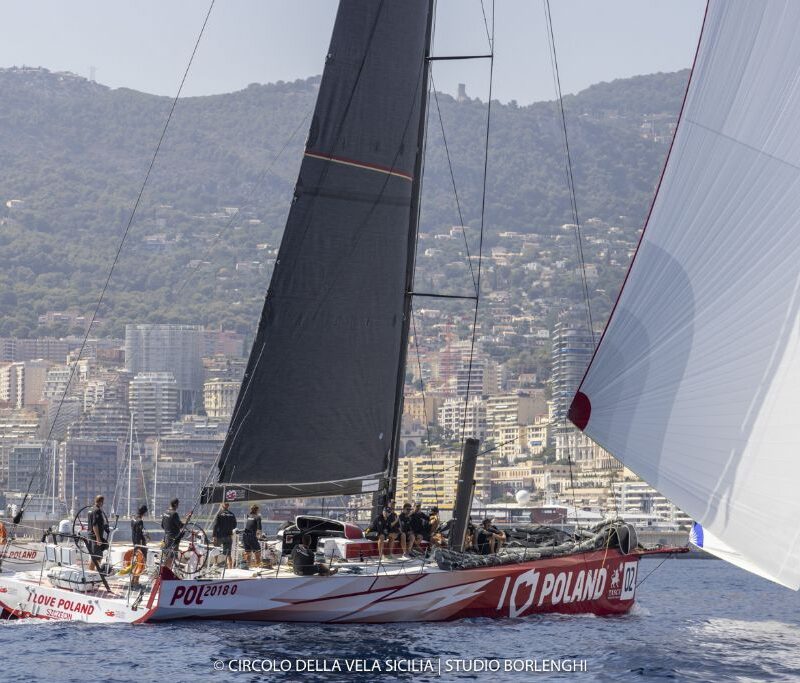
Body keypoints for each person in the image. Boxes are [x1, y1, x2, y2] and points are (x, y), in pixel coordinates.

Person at [87, 495, 110, 573]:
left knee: (105, 546)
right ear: (101, 502)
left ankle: (96, 571)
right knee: (95, 557)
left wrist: (104, 526)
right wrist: (98, 538)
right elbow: (95, 525)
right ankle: (90, 573)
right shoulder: (97, 510)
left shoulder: (90, 509)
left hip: (90, 535)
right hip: (95, 537)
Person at [212, 501, 238, 569]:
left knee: (216, 549)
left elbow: (215, 525)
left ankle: (215, 563)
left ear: (221, 505)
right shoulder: (232, 514)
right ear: (228, 506)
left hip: (219, 536)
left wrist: (214, 536)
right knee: (228, 553)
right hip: (228, 536)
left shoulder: (219, 514)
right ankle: (230, 568)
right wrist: (229, 529)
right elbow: (235, 525)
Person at [160, 498, 183, 569]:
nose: (178, 507)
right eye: (178, 505)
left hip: (166, 538)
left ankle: (164, 571)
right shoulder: (174, 514)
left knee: (166, 556)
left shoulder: (165, 513)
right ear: (175, 504)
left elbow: (162, 526)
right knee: (171, 557)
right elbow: (180, 525)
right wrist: (186, 521)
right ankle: (167, 573)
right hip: (173, 539)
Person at [130, 504, 149, 587]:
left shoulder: (133, 519)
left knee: (136, 563)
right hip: (140, 545)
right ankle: (136, 581)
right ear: (144, 512)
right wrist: (141, 547)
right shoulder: (140, 521)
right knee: (141, 563)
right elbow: (139, 534)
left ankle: (133, 580)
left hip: (135, 543)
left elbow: (135, 532)